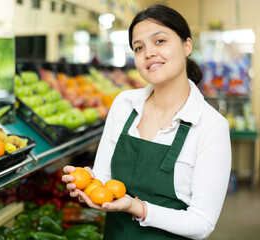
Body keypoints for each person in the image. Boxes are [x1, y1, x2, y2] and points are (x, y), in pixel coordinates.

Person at [62, 4, 231, 240]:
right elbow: (102, 179)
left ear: (187, 46)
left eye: (159, 41)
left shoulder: (211, 126)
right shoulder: (124, 104)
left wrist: (136, 207)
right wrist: (85, 182)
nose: (148, 53)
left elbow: (202, 223)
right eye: (139, 47)